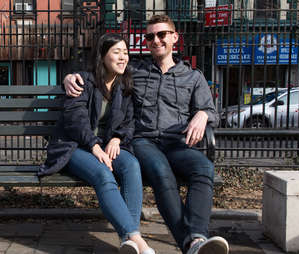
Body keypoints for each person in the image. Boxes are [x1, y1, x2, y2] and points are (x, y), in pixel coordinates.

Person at [63, 15, 229, 254]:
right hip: (144, 141)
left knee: (204, 168)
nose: (156, 40)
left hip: (178, 143)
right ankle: (192, 244)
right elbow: (100, 69)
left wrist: (203, 114)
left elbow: (212, 111)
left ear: (174, 37)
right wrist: (68, 78)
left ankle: (196, 237)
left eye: (162, 35)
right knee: (161, 171)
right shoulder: (134, 71)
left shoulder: (193, 77)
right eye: (150, 36)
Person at [38, 33, 155, 254]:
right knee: (103, 174)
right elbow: (75, 120)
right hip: (74, 147)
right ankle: (137, 239)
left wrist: (116, 138)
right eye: (116, 52)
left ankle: (128, 240)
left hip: (104, 145)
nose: (123, 58)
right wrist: (94, 146)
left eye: (125, 52)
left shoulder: (125, 84)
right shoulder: (82, 81)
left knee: (131, 165)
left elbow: (130, 121)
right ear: (102, 56)